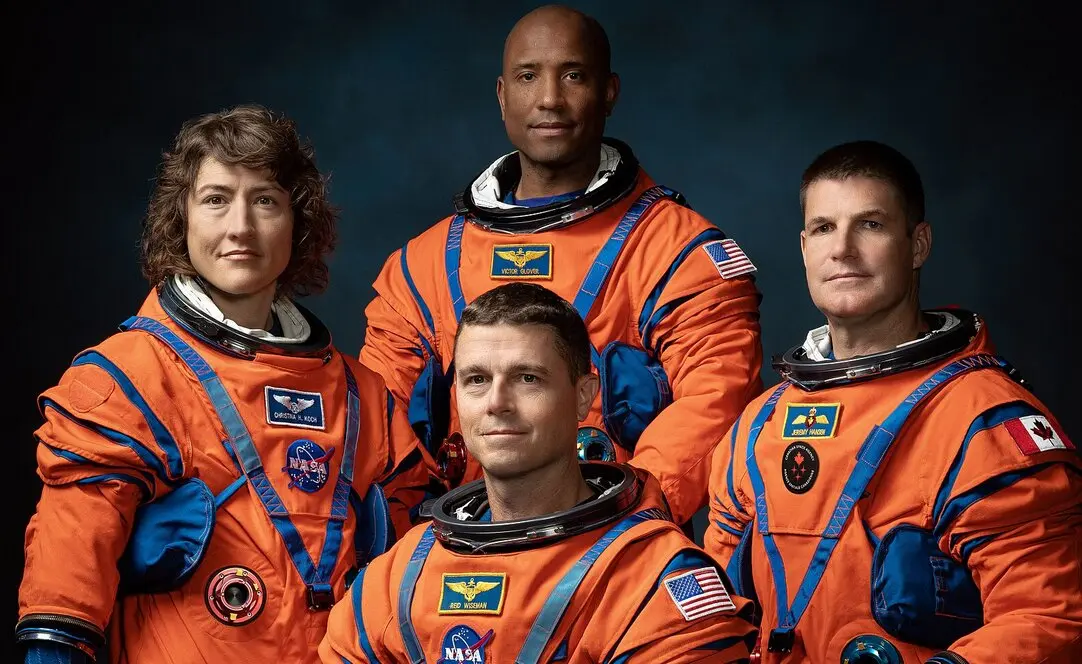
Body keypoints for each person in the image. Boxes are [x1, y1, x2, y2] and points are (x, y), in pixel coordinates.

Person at [16, 104, 421, 663]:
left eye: (265, 201)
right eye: (215, 199)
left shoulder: (362, 397)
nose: (241, 227)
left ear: (297, 223)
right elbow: (65, 576)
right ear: (180, 220)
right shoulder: (127, 379)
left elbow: (412, 583)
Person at [359, 4, 763, 527]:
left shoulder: (676, 251)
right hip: (457, 556)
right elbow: (377, 423)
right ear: (503, 95)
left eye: (573, 75)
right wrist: (417, 542)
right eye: (529, 77)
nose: (549, 99)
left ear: (609, 93)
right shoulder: (424, 266)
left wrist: (618, 524)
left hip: (611, 554)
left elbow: (717, 400)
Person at [705, 140, 1082, 663]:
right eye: (823, 228)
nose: (843, 249)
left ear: (918, 244)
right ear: (804, 248)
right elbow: (710, 618)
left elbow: (1049, 618)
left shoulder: (985, 422)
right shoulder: (759, 424)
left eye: (872, 225)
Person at [321, 282, 759, 663]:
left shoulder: (654, 578)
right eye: (476, 379)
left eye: (527, 378)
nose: (497, 402)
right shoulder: (399, 576)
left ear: (583, 396)